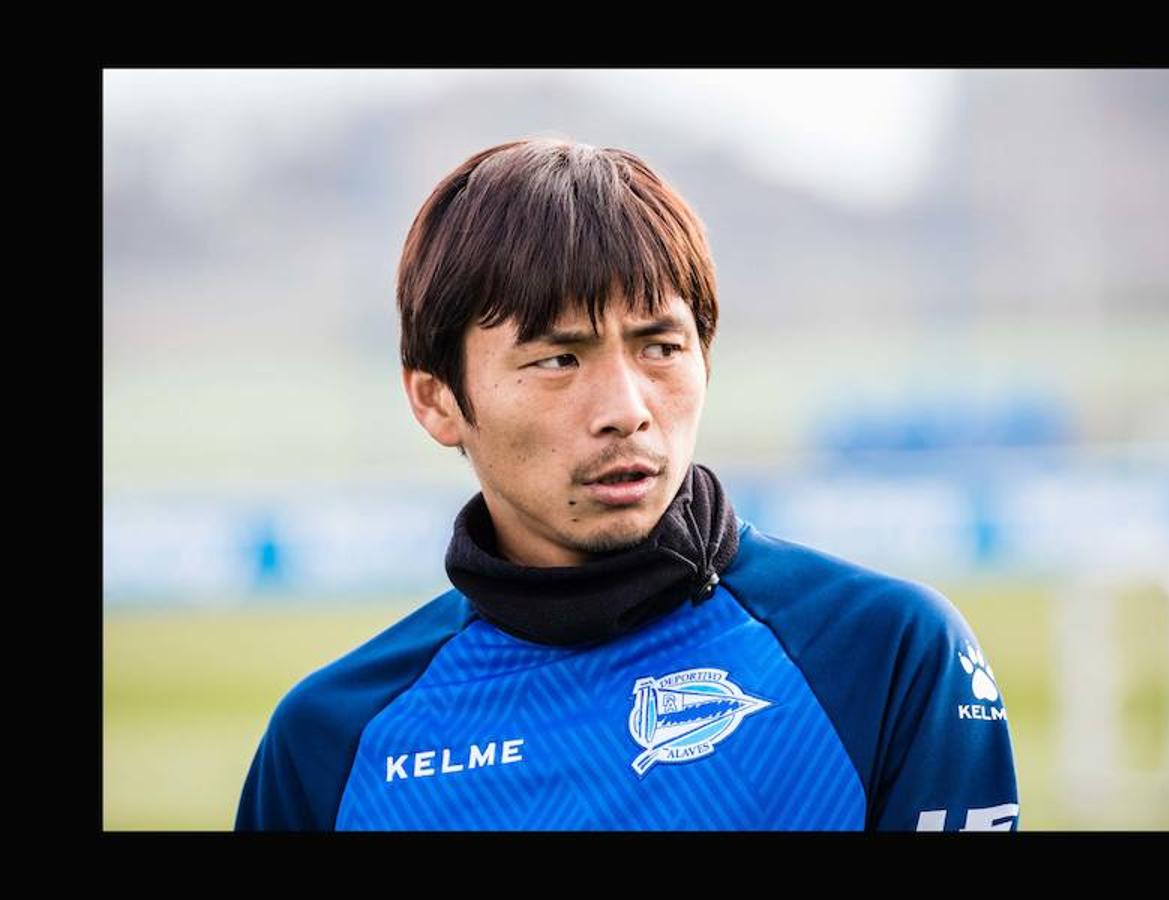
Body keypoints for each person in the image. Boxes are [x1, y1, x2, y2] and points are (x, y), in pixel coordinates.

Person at [235, 137, 1019, 831]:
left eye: (660, 347)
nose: (626, 411)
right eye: (557, 359)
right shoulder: (329, 743)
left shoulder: (883, 655)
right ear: (436, 400)